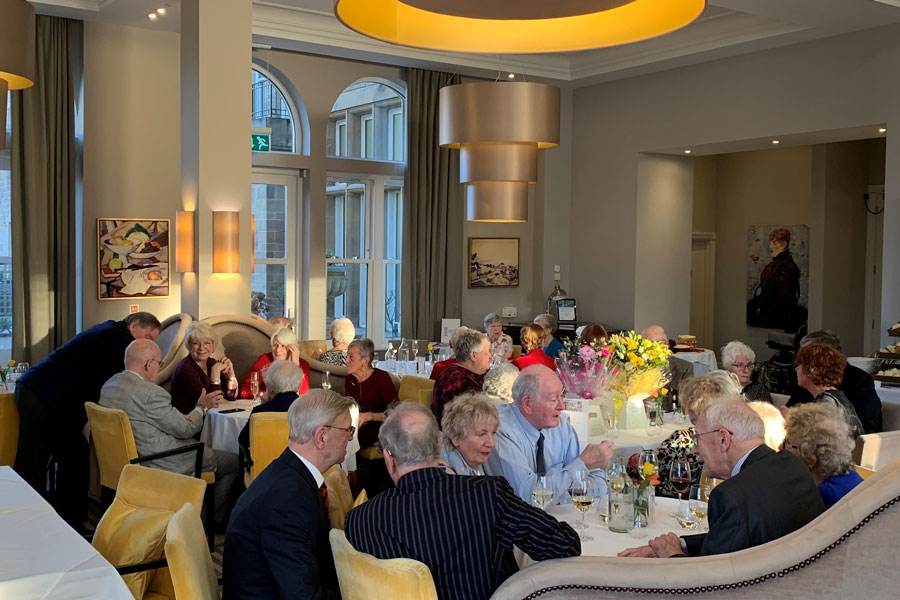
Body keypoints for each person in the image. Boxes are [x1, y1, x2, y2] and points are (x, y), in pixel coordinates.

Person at [344, 403, 581, 600]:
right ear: (439, 443)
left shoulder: (361, 520)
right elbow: (564, 545)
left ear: (388, 456)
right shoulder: (488, 494)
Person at [619, 399, 824, 558]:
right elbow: (735, 538)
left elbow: (710, 584)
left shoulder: (732, 495)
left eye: (698, 439)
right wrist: (681, 544)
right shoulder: (792, 465)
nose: (695, 450)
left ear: (724, 439)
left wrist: (671, 555)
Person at [14, 311, 161, 526]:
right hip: (44, 396)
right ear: (133, 327)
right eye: (148, 337)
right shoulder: (121, 342)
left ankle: (55, 516)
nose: (149, 344)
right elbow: (126, 382)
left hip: (37, 389)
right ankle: (46, 519)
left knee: (60, 457)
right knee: (44, 460)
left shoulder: (110, 330)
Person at [223, 389, 354, 599]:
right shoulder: (287, 500)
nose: (350, 437)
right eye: (348, 430)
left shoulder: (289, 474)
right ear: (321, 436)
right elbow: (303, 595)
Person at [100, 339, 239, 523]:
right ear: (149, 364)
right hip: (160, 461)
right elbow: (186, 429)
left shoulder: (110, 385)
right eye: (159, 363)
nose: (159, 367)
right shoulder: (151, 393)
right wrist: (201, 407)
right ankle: (208, 523)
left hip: (124, 461)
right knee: (234, 462)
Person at [486, 365, 614, 504]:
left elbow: (598, 481)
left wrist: (560, 488)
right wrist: (582, 464)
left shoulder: (560, 425)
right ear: (527, 404)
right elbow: (529, 498)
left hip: (563, 514)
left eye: (561, 396)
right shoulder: (500, 430)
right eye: (553, 399)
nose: (562, 406)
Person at [654, 370, 742, 498]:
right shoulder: (678, 442)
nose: (696, 449)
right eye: (694, 422)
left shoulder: (739, 449)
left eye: (700, 421)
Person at [787, 330, 882, 433]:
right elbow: (792, 410)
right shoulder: (806, 382)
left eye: (806, 360)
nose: (797, 367)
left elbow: (867, 428)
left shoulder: (858, 381)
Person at [345, 338, 398, 495]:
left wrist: (370, 416)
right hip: (356, 434)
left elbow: (396, 413)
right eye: (346, 356)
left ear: (365, 360)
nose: (346, 360)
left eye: (351, 357)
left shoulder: (381, 378)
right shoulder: (350, 380)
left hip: (378, 436)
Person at [783, 403, 863, 508]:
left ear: (811, 458)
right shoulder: (851, 475)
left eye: (788, 443)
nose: (781, 447)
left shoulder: (823, 494)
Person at [793, 343, 864, 437]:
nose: (796, 369)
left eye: (799, 365)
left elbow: (817, 440)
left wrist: (792, 421)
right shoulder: (837, 397)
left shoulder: (826, 402)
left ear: (812, 369)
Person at [238, 360, 303, 459]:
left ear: (269, 385)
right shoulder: (307, 409)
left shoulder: (260, 412)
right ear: (298, 384)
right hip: (298, 466)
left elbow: (243, 442)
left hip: (265, 467)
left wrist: (264, 405)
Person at [171, 322, 238, 414]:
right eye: (196, 343)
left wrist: (231, 376)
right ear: (189, 346)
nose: (201, 348)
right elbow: (210, 405)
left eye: (207, 343)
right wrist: (215, 378)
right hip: (189, 420)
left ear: (213, 346)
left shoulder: (212, 363)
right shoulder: (185, 368)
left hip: (210, 418)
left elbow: (232, 397)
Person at [747, 227, 803, 330]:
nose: (770, 246)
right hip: (770, 315)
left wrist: (764, 313)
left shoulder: (787, 267)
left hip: (777, 318)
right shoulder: (773, 266)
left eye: (774, 243)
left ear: (784, 244)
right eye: (770, 243)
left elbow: (783, 297)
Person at [432, 328, 492, 422]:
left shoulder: (477, 373)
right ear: (474, 355)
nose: (490, 356)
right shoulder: (456, 380)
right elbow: (465, 422)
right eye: (487, 352)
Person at [239, 328, 311, 399]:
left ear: (292, 348)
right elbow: (244, 391)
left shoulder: (302, 364)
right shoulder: (264, 360)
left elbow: (304, 394)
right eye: (275, 345)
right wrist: (263, 395)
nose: (277, 350)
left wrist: (296, 365)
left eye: (283, 346)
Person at [440, 393, 499, 476]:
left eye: (493, 433)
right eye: (482, 434)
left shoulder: (473, 461)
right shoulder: (444, 475)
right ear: (456, 438)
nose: (491, 443)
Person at [641, 324, 694, 393]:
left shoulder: (684, 368)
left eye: (660, 343)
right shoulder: (633, 366)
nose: (654, 347)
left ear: (667, 346)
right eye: (649, 344)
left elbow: (687, 397)